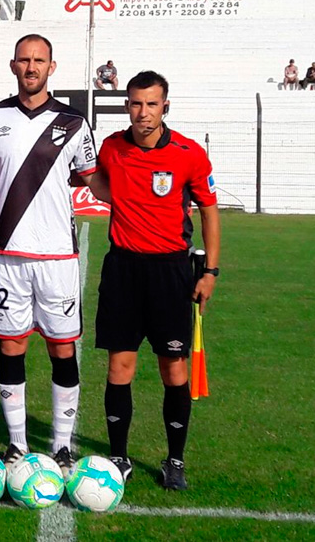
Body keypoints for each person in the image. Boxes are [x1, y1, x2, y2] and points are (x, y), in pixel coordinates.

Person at [0, 34, 106, 474]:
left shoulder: (74, 122)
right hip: (7, 253)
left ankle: (62, 446)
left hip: (57, 257)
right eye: (24, 60)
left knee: (62, 350)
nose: (31, 67)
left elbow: (93, 179)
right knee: (11, 346)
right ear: (13, 65)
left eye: (39, 60)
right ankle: (16, 445)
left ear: (52, 67)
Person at [92, 70, 221, 491]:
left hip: (170, 272)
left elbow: (209, 211)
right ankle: (118, 457)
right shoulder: (112, 147)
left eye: (151, 104)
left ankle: (175, 460)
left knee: (173, 367)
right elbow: (99, 183)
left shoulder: (189, 153)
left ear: (166, 106)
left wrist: (210, 271)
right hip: (123, 269)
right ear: (126, 105)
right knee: (120, 365)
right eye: (136, 103)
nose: (143, 112)